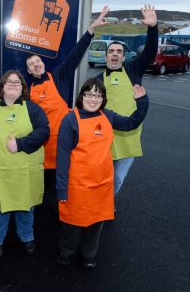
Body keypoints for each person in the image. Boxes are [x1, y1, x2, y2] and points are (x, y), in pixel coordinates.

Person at [55, 78, 149, 269]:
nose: (93, 99)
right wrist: (61, 189)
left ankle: (89, 255)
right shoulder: (70, 120)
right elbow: (62, 158)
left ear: (103, 99)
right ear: (82, 96)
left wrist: (143, 102)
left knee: (95, 225)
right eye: (89, 94)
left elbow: (131, 123)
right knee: (72, 224)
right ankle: (67, 251)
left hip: (102, 184)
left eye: (98, 95)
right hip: (77, 185)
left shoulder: (108, 116)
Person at [24, 6, 109, 208]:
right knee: (42, 188)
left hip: (65, 143)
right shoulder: (27, 91)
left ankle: (62, 211)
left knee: (63, 183)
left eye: (38, 61)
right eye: (31, 64)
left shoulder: (59, 76)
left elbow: (75, 55)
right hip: (42, 146)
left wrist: (90, 31)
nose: (36, 65)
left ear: (42, 63)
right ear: (29, 71)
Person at [0, 70, 49, 258]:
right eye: (8, 82)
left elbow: (44, 131)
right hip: (0, 170)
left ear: (23, 87)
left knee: (26, 207)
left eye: (17, 82)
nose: (12, 84)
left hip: (26, 170)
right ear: (2, 87)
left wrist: (20, 144)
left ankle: (27, 237)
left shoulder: (34, 109)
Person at [95, 5, 158, 198]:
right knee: (101, 176)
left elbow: (149, 52)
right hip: (104, 135)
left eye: (118, 51)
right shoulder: (97, 79)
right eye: (111, 51)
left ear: (123, 56)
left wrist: (153, 27)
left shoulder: (133, 70)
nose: (114, 54)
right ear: (106, 56)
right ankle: (101, 204)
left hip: (129, 134)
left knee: (118, 178)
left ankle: (108, 201)